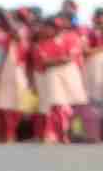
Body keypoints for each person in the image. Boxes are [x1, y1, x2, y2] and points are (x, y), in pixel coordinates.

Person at [0, 8, 30, 143]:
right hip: (0, 69)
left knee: (16, 102)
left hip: (16, 68)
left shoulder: (21, 29)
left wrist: (8, 19)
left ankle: (11, 133)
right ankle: (3, 133)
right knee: (0, 102)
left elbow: (18, 37)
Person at [30, 16, 74, 144]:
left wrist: (57, 61)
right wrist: (59, 60)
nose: (48, 30)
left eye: (56, 28)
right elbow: (45, 62)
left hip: (66, 77)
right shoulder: (40, 44)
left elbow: (70, 58)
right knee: (52, 106)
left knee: (61, 106)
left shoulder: (67, 39)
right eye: (48, 27)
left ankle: (62, 134)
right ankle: (51, 134)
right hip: (47, 77)